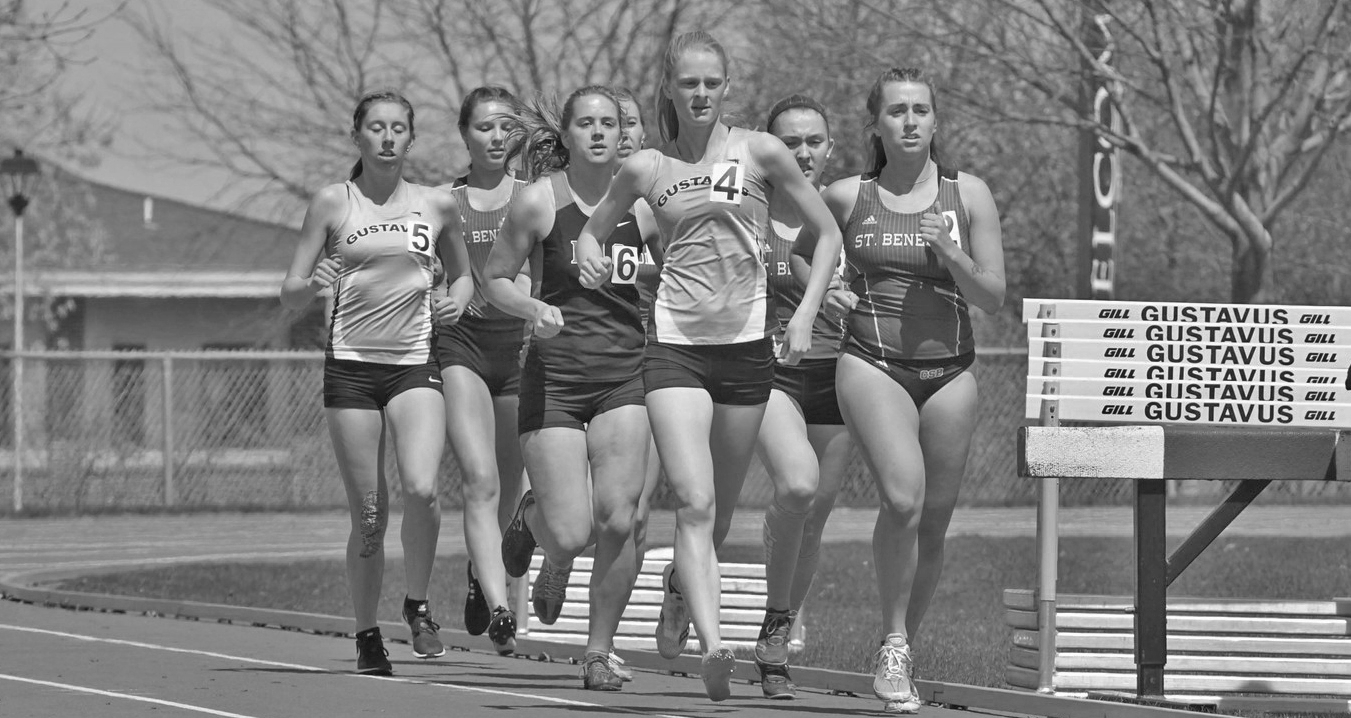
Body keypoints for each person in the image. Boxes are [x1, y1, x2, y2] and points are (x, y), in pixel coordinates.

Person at [572, 31, 844, 703]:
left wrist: (806, 313)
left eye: (711, 82)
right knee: (691, 502)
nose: (699, 93)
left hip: (747, 351)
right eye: (687, 82)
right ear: (668, 87)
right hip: (674, 350)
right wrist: (586, 250)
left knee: (717, 511)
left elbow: (829, 234)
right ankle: (716, 643)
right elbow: (591, 226)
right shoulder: (646, 168)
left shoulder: (760, 150)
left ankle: (675, 592)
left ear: (726, 88)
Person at [815, 67, 1006, 714]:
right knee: (901, 498)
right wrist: (823, 289)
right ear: (875, 123)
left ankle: (901, 644)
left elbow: (992, 296)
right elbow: (789, 247)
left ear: (935, 120)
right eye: (895, 111)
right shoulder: (846, 196)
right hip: (871, 362)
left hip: (951, 369)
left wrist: (952, 255)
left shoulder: (968, 194)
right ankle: (892, 642)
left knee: (932, 521)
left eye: (920, 110)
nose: (909, 121)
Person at [280, 90, 474, 675]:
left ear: (411, 139)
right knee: (369, 513)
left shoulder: (438, 205)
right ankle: (367, 633)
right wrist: (313, 281)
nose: (387, 137)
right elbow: (288, 294)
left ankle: (417, 606)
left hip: (414, 362)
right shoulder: (331, 203)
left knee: (422, 488)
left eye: (398, 129)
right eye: (376, 128)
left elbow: (465, 278)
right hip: (352, 367)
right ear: (357, 136)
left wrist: (454, 300)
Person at [488, 85, 663, 692]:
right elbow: (494, 280)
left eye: (608, 124)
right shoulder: (539, 202)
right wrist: (533, 307)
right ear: (565, 135)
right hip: (555, 379)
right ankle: (531, 519)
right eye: (584, 123)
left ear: (623, 134)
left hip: (624, 377)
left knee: (619, 518)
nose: (596, 133)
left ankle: (597, 651)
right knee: (571, 532)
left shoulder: (643, 206)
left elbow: (678, 272)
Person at [751, 94, 853, 701]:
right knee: (795, 486)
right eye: (791, 143)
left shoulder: (843, 211)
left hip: (839, 374)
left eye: (814, 141)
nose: (804, 153)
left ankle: (778, 621)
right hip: (766, 371)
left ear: (830, 147)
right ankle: (687, 585)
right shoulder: (749, 207)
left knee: (813, 515)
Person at [436, 86, 529, 656]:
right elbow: (419, 265)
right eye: (485, 127)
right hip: (463, 345)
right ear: (465, 133)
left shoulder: (534, 196)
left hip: (520, 351)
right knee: (480, 480)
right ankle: (500, 608)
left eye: (505, 127)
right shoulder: (446, 202)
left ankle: (483, 568)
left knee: (512, 487)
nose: (496, 137)